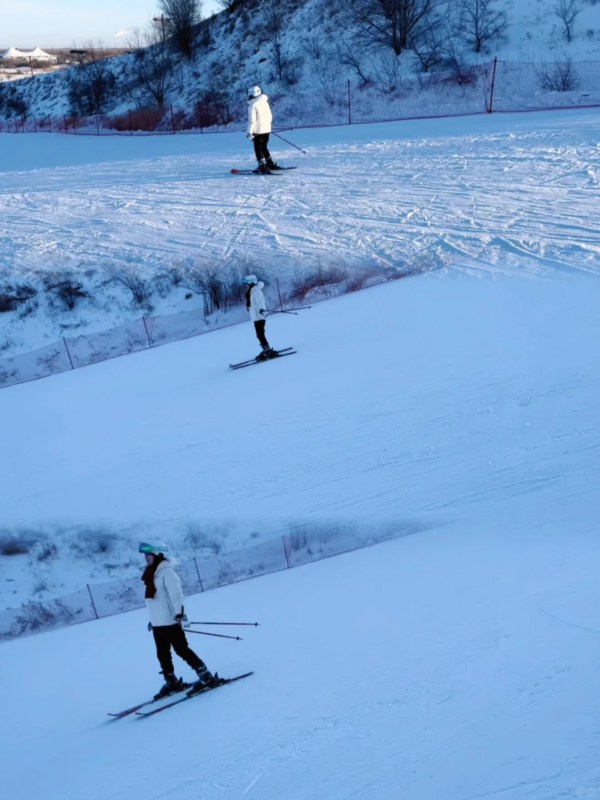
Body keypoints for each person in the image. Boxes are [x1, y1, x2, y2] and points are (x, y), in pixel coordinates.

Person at [139, 540, 215, 699]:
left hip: (171, 622)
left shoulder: (167, 573)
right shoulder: (151, 574)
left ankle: (205, 675)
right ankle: (171, 681)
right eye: (145, 555)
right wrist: (152, 620)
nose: (146, 557)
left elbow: (176, 595)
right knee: (162, 655)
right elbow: (155, 601)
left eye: (148, 554)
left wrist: (180, 614)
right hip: (158, 624)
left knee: (182, 650)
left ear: (159, 554)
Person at [247, 85, 280, 173]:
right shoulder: (265, 103)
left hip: (258, 131)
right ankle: (270, 164)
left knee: (258, 149)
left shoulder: (253, 105)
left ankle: (262, 166)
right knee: (264, 147)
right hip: (267, 130)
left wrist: (250, 132)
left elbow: (252, 121)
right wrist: (267, 127)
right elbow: (270, 117)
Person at [243, 274, 277, 360]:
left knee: (260, 334)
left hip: (259, 316)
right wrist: (249, 308)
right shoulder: (251, 291)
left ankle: (267, 350)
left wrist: (262, 309)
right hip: (255, 317)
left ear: (251, 283)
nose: (246, 285)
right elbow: (253, 303)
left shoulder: (256, 291)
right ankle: (266, 349)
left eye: (247, 284)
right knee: (259, 334)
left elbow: (260, 301)